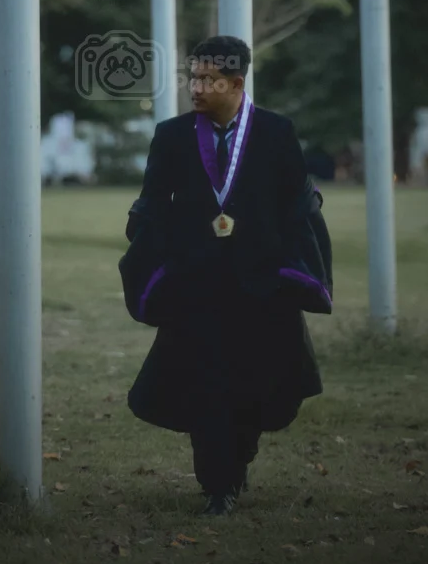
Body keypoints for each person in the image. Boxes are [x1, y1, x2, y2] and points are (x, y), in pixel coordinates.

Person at [124, 35, 329, 517]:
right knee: (205, 382)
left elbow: (298, 205)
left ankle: (240, 456)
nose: (194, 87)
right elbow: (153, 201)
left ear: (236, 83)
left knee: (257, 383)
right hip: (196, 286)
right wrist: (144, 238)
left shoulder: (278, 133)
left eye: (205, 79)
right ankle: (218, 484)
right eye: (191, 76)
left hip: (263, 287)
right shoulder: (172, 136)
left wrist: (299, 270)